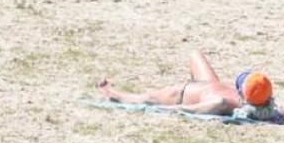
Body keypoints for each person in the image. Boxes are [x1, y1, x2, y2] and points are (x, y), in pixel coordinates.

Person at [98, 50, 274, 116]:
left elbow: (186, 110)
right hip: (209, 84)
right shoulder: (264, 101)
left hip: (184, 93)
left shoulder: (222, 103)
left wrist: (165, 110)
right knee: (195, 54)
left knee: (146, 99)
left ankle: (113, 95)